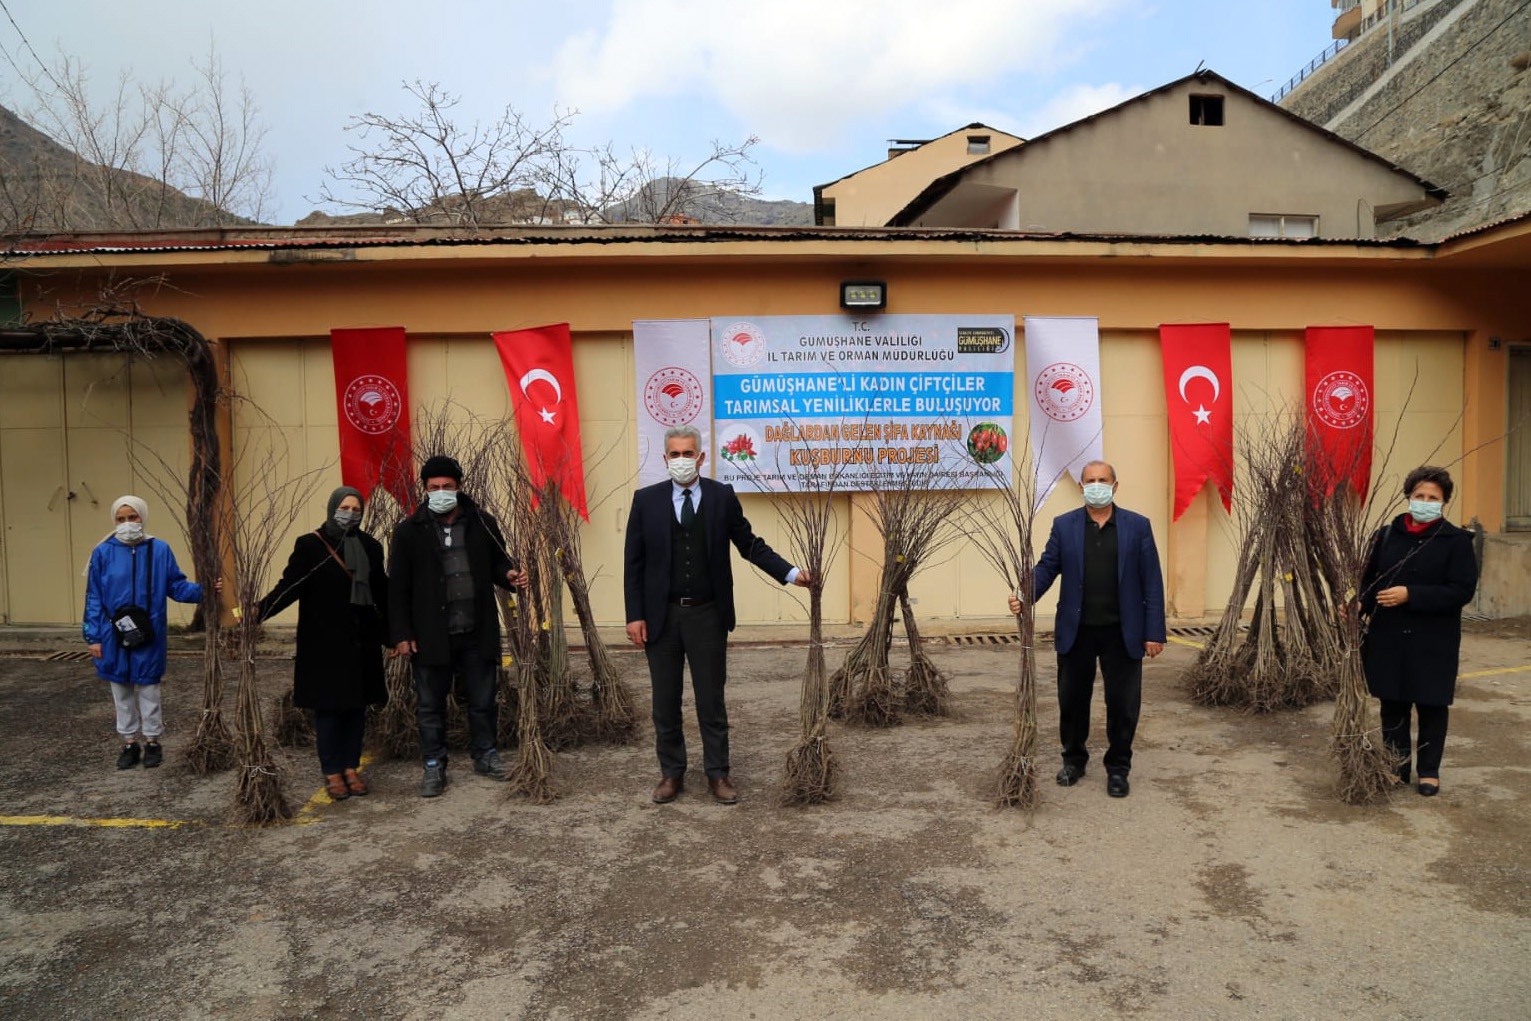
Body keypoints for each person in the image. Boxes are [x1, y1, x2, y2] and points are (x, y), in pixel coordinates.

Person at [624, 424, 811, 805]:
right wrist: (635, 615)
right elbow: (634, 564)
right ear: (665, 459)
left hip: (707, 615)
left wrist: (792, 574)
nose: (681, 460)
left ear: (701, 457)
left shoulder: (721, 497)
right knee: (665, 701)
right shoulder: (646, 501)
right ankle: (671, 773)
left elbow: (749, 545)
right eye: (674, 454)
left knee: (711, 699)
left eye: (688, 453)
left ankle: (718, 774)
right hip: (662, 619)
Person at [1010, 460, 1165, 798]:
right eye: (1090, 480)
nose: (1097, 485)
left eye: (1103, 480)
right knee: (1072, 700)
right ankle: (1074, 761)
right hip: (1076, 630)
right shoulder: (1064, 526)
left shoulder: (1138, 527)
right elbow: (1048, 566)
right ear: (1081, 487)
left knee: (1123, 705)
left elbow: (1152, 581)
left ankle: (1118, 768)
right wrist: (1025, 595)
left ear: (1115, 485)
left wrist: (1154, 631)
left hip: (1122, 632)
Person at [390, 455, 527, 798]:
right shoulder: (409, 531)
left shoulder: (482, 522)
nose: (440, 493)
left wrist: (509, 575)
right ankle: (434, 765)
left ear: (459, 487)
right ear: (424, 490)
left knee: (482, 700)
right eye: (433, 488)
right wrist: (402, 633)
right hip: (431, 635)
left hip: (475, 630)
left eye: (447, 487)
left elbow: (499, 562)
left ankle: (486, 754)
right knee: (430, 705)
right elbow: (398, 588)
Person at [256, 486, 390, 801]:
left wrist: (393, 634)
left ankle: (351, 768)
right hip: (324, 643)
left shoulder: (370, 546)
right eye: (344, 507)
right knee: (329, 710)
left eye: (356, 509)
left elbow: (381, 592)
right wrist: (257, 611)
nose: (350, 513)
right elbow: (290, 586)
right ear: (332, 508)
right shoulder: (310, 546)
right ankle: (332, 771)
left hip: (361, 642)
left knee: (356, 710)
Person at [1360, 465, 1478, 797]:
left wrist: (1412, 594)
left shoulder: (1456, 541)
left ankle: (1429, 770)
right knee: (1392, 703)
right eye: (1419, 496)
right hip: (1389, 634)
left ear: (1443, 503)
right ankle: (1397, 767)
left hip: (1433, 638)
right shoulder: (1385, 536)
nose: (1425, 502)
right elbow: (1370, 580)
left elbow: (1461, 590)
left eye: (1433, 498)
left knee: (1431, 704)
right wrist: (1360, 603)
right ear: (1409, 497)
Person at [83, 496, 204, 770]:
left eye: (132, 517)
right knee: (121, 690)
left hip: (149, 632)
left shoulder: (159, 550)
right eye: (121, 519)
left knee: (149, 689)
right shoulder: (103, 553)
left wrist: (204, 590)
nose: (127, 524)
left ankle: (152, 741)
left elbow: (176, 585)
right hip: (112, 633)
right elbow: (94, 596)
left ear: (143, 517)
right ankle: (128, 742)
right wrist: (93, 636)